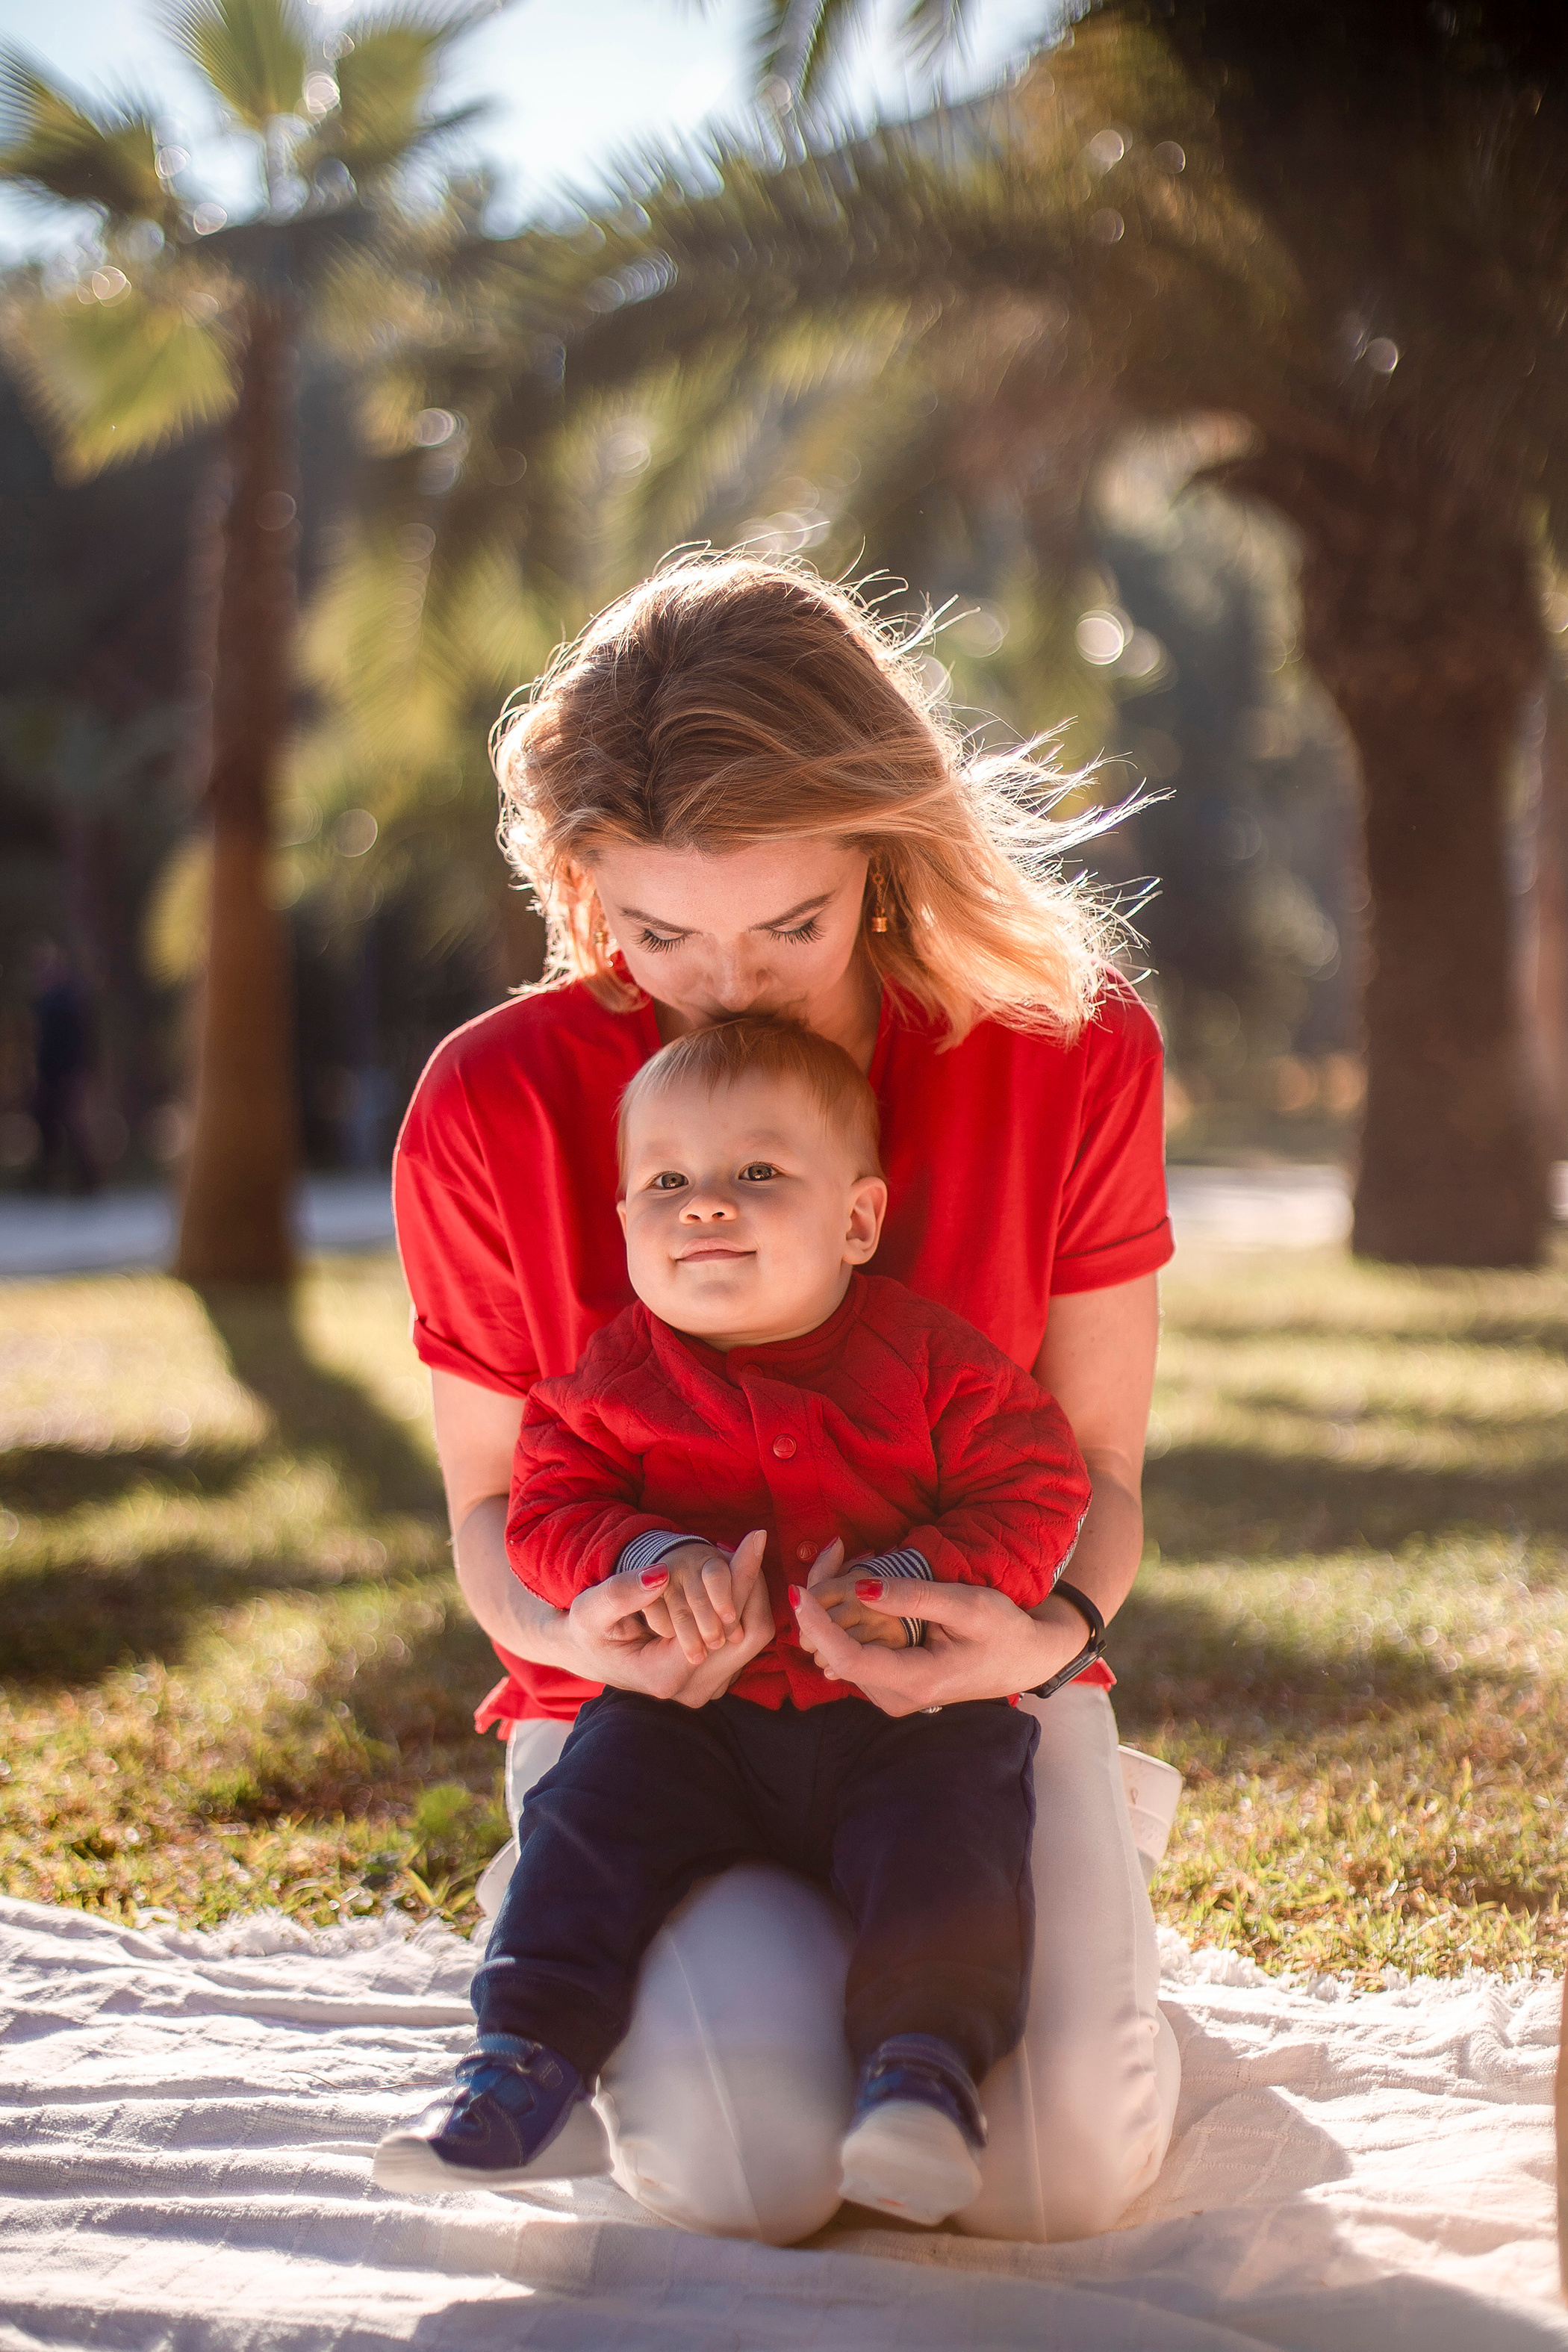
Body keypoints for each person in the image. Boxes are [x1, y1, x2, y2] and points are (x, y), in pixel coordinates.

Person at [391, 553, 1179, 2245]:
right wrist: (583, 1631)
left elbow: (1099, 1466)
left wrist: (1040, 1638)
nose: (727, 991)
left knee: (1060, 2182)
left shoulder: (1071, 1051)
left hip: (969, 1709)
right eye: (660, 933)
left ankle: (1069, 1849)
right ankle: (606, 1932)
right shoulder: (488, 1104)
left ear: (884, 855)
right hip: (641, 1727)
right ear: (582, 882)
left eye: (791, 926)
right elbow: (485, 1513)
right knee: (753, 2182)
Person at [376, 1015, 1092, 2225]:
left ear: (858, 1220)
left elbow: (1039, 1482)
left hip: (897, 1715)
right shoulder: (607, 1385)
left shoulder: (929, 1360)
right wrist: (645, 1561)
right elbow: (544, 1512)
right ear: (624, 1227)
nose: (705, 1205)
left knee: (953, 1836)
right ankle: (524, 2065)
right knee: (591, 1815)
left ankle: (921, 2075)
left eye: (757, 1173)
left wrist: (923, 1578)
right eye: (667, 1182)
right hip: (690, 1721)